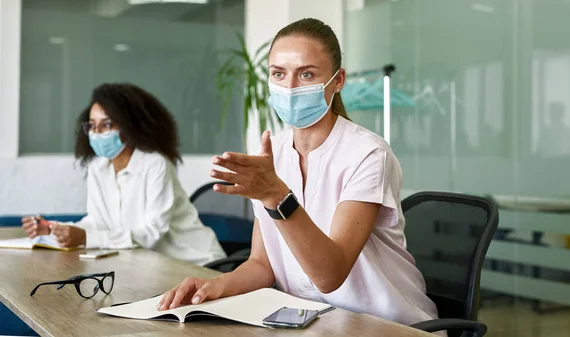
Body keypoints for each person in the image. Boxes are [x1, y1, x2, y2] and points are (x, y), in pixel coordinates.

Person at [158, 18, 440, 328]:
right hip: (314, 322)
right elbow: (262, 264)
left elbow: (329, 276)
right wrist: (216, 286)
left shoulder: (368, 155)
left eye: (306, 74)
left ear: (338, 80)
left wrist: (276, 196)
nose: (289, 87)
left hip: (388, 326)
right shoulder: (272, 154)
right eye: (279, 74)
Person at [21, 83, 226, 266]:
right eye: (92, 125)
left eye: (107, 124)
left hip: (197, 264)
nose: (97, 132)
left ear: (129, 126)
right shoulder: (98, 167)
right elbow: (97, 222)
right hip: (149, 266)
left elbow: (150, 235)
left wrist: (85, 237)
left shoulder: (155, 164)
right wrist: (54, 230)